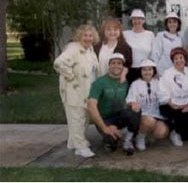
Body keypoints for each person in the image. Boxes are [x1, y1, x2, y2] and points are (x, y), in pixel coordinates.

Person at [53, 24, 100, 158]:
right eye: (85, 35)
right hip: (74, 90)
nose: (88, 38)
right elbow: (59, 63)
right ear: (79, 36)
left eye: (90, 36)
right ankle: (81, 147)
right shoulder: (73, 48)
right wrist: (71, 76)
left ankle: (74, 142)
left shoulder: (90, 49)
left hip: (88, 90)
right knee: (77, 118)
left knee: (84, 118)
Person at [87, 53, 141, 155]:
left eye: (119, 63)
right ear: (109, 65)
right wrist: (105, 128)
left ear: (122, 66)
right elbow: (91, 106)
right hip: (105, 119)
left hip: (120, 117)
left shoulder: (125, 82)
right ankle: (110, 138)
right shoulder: (100, 82)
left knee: (136, 110)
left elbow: (130, 99)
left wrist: (133, 103)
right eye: (113, 63)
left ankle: (128, 140)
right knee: (111, 143)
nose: (116, 65)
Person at [159, 47, 188, 147]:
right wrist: (172, 104)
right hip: (172, 105)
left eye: (181, 57)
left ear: (185, 59)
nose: (179, 60)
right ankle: (174, 133)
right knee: (176, 117)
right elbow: (163, 91)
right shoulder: (167, 73)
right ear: (172, 61)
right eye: (175, 59)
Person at [126, 60, 169, 151]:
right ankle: (140, 137)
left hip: (156, 114)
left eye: (150, 69)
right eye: (144, 70)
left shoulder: (158, 83)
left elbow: (164, 97)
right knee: (149, 121)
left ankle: (147, 135)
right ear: (140, 71)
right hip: (142, 115)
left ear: (153, 71)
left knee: (162, 132)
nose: (147, 72)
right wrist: (133, 103)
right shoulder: (135, 84)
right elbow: (130, 100)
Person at [123, 9, 155, 83]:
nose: (136, 21)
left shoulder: (150, 34)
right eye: (134, 19)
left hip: (146, 70)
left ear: (143, 20)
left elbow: (153, 54)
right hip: (129, 70)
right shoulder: (125, 34)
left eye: (139, 18)